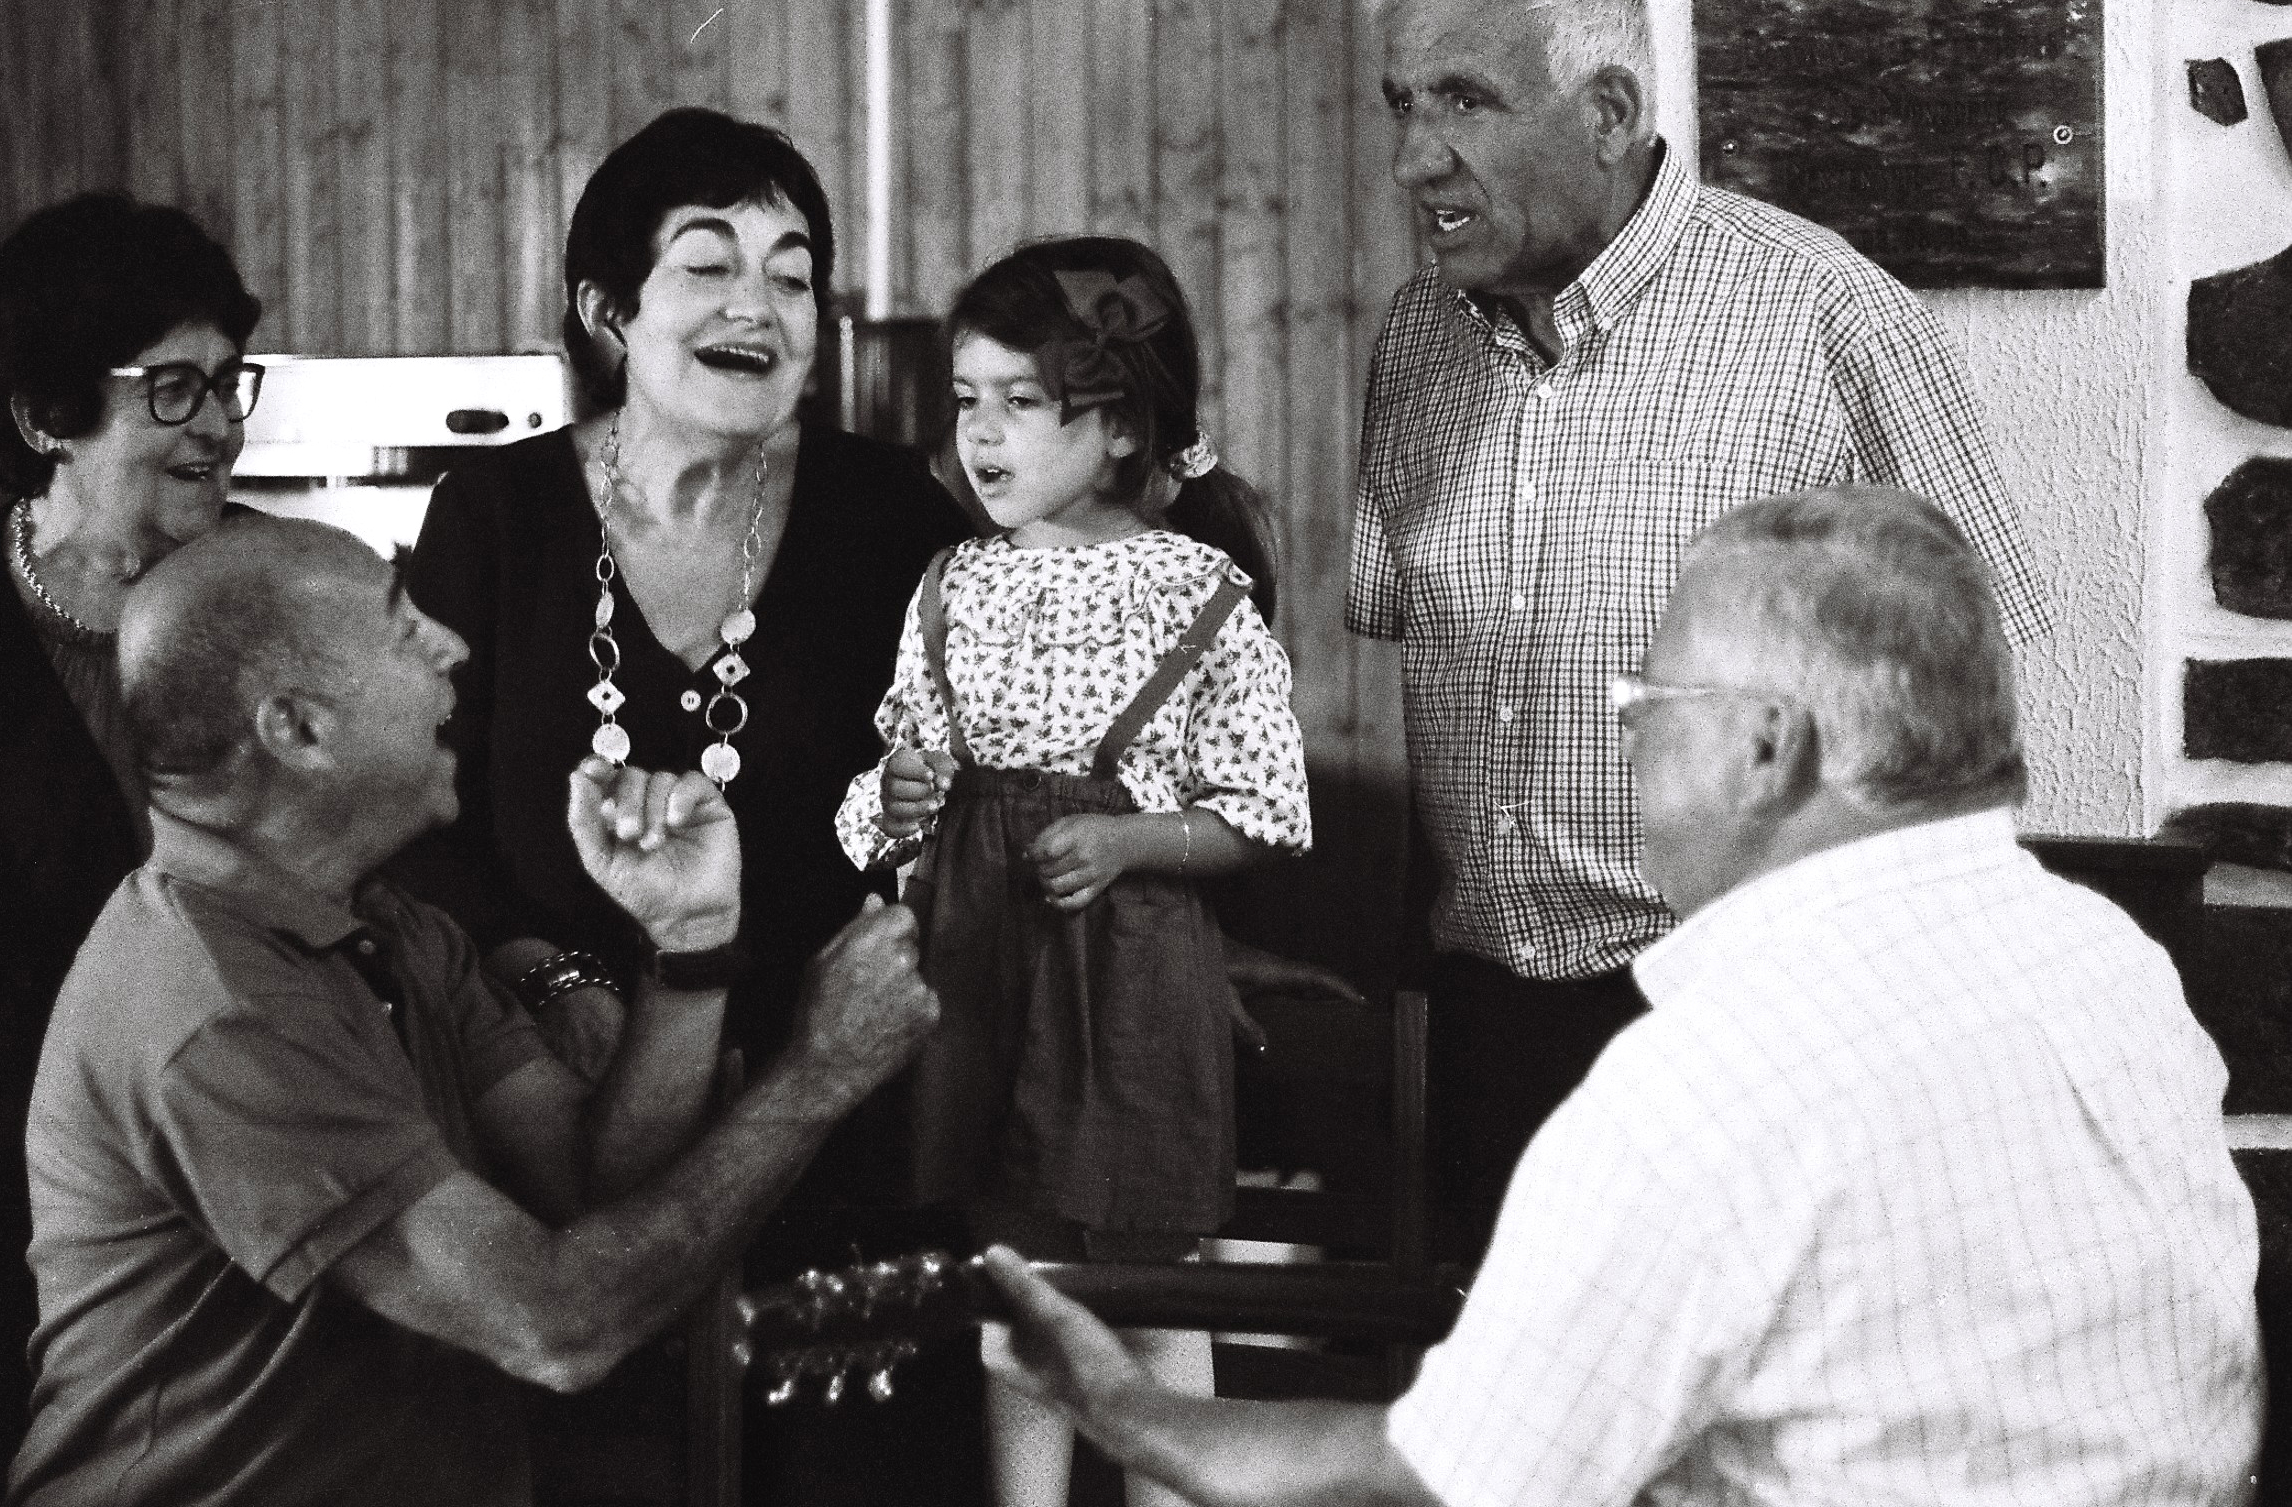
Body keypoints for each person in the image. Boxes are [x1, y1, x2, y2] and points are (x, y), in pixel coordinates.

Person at [982, 484, 2262, 1507]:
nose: (1628, 734)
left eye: (1650, 701)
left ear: (1768, 746)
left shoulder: (1718, 1076)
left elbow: (1442, 1484)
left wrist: (1123, 1403)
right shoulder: (2109, 959)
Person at [1347, 0, 2051, 1260]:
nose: (1412, 159)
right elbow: (1388, 629)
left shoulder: (1825, 317)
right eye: (1398, 106)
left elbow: (1980, 702)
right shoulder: (1417, 338)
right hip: (1486, 1027)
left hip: (1750, 1029)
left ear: (1606, 111)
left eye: (1464, 102)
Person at [9, 516, 941, 1506]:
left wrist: (691, 942)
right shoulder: (217, 1008)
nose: (452, 646)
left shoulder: (386, 923)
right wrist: (820, 1074)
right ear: (298, 729)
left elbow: (589, 1183)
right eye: (406, 630)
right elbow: (558, 1324)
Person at [393, 105, 979, 1502]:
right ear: (609, 308)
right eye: (709, 264)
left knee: (858, 1473)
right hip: (559, 1107)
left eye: (792, 273)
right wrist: (544, 971)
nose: (760, 305)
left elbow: (994, 765)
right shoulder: (496, 517)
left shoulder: (890, 512)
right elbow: (416, 822)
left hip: (838, 1118)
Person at [835, 237, 1315, 1507]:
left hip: (1133, 988)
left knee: (1153, 1280)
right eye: (966, 399)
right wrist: (893, 800)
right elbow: (884, 797)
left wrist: (1130, 842)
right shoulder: (950, 587)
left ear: (1116, 429)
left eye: (1021, 401)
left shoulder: (1195, 592)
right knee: (1017, 1278)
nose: (979, 433)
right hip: (984, 973)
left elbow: (1264, 814)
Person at [0, 192, 263, 1505]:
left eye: (230, 382)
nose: (223, 423)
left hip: (250, 1183)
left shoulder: (273, 590)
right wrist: (127, 1056)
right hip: (19, 1209)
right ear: (43, 418)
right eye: (174, 389)